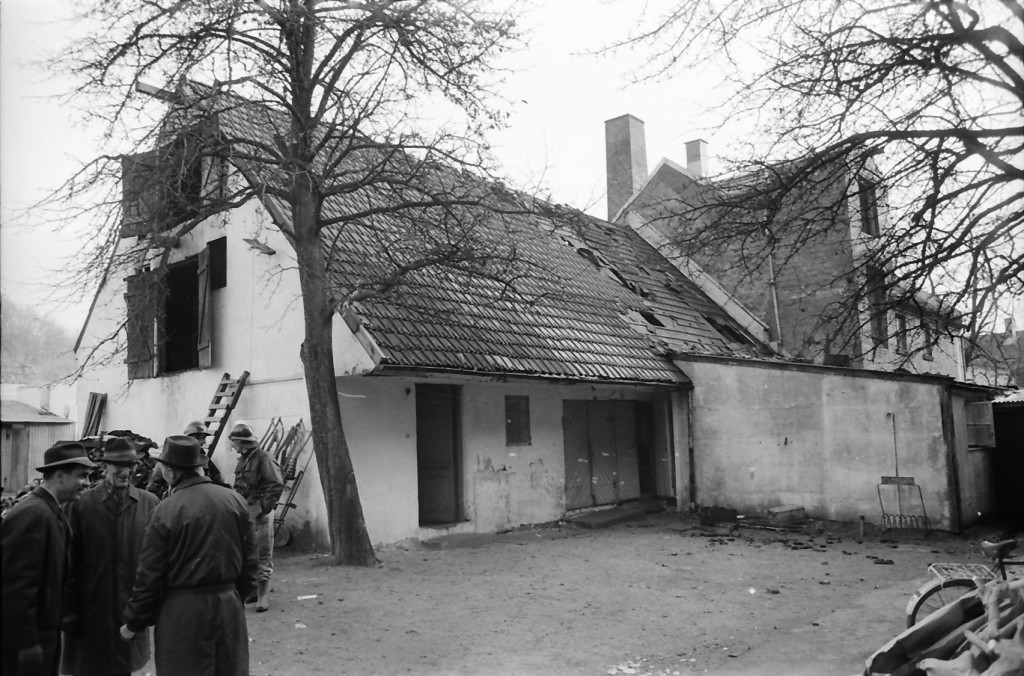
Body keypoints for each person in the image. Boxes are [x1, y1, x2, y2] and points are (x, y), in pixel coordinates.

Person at [120, 435, 257, 676]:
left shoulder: (165, 510)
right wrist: (233, 598)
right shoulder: (235, 501)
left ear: (171, 473)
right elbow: (251, 564)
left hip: (182, 613)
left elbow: (150, 576)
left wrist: (135, 621)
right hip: (228, 607)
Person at [61, 437, 160, 676]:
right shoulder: (81, 504)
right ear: (104, 467)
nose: (125, 471)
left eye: (130, 465)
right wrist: (69, 612)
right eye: (118, 466)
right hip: (92, 611)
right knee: (93, 667)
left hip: (130, 609)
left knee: (124, 667)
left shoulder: (149, 504)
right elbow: (68, 564)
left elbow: (155, 562)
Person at [1, 442, 96, 676]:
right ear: (60, 476)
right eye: (82, 476)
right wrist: (26, 643)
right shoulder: (32, 514)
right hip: (25, 645)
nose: (87, 483)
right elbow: (16, 587)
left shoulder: (50, 511)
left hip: (43, 640)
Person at [229, 421, 284, 612]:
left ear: (240, 442)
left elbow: (275, 484)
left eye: (233, 442)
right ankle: (252, 592)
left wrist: (263, 508)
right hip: (245, 511)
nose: (232, 446)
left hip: (260, 513)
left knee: (263, 554)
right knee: (247, 554)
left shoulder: (263, 458)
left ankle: (263, 595)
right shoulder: (244, 459)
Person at [145, 420, 224, 498]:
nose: (204, 442)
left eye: (204, 438)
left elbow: (217, 479)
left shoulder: (202, 457)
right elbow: (153, 487)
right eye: (200, 438)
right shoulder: (168, 458)